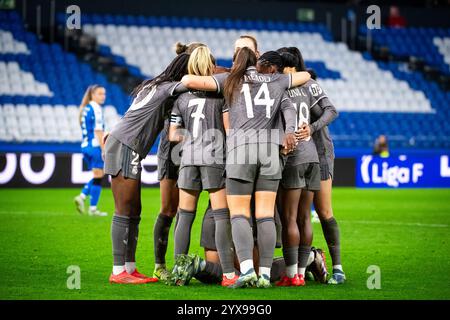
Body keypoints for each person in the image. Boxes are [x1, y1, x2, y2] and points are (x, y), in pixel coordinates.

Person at [180, 48, 311, 288]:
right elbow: (306, 77)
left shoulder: (231, 79)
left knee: (239, 214)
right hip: (270, 148)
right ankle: (264, 275)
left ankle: (248, 270)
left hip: (241, 147)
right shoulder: (278, 80)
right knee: (265, 215)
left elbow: (188, 80)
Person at [103, 53, 190, 284]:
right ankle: (118, 271)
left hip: (125, 144)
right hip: (125, 145)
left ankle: (129, 269)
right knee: (124, 209)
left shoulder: (155, 85)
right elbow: (191, 82)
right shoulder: (168, 88)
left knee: (134, 209)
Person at [168, 46, 237, 286]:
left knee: (185, 217)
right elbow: (229, 131)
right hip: (214, 158)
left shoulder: (182, 97)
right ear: (210, 67)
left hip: (188, 159)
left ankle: (179, 272)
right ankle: (229, 273)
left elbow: (173, 135)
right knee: (221, 217)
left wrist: (193, 139)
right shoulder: (221, 95)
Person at [282, 47, 345, 284]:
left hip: (320, 152)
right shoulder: (284, 86)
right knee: (296, 215)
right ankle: (307, 262)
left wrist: (312, 127)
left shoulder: (309, 84)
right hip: (298, 155)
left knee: (323, 210)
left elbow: (331, 111)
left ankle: (338, 268)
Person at [152, 41, 206, 281]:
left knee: (187, 209)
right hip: (172, 151)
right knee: (170, 209)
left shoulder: (202, 82)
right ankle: (160, 264)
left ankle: (181, 262)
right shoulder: (175, 84)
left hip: (194, 153)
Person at [275, 51, 323, 286]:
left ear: (287, 68)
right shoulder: (309, 86)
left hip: (293, 157)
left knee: (289, 218)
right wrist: (313, 128)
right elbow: (332, 110)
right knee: (305, 217)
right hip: (313, 156)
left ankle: (292, 275)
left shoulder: (281, 88)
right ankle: (303, 273)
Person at [74, 85, 108, 217]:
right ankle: (92, 208)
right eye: (100, 94)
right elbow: (98, 131)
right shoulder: (96, 108)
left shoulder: (85, 108)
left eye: (104, 94)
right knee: (99, 177)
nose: (103, 96)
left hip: (85, 146)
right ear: (93, 95)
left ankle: (82, 197)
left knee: (97, 175)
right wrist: (103, 149)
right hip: (94, 147)